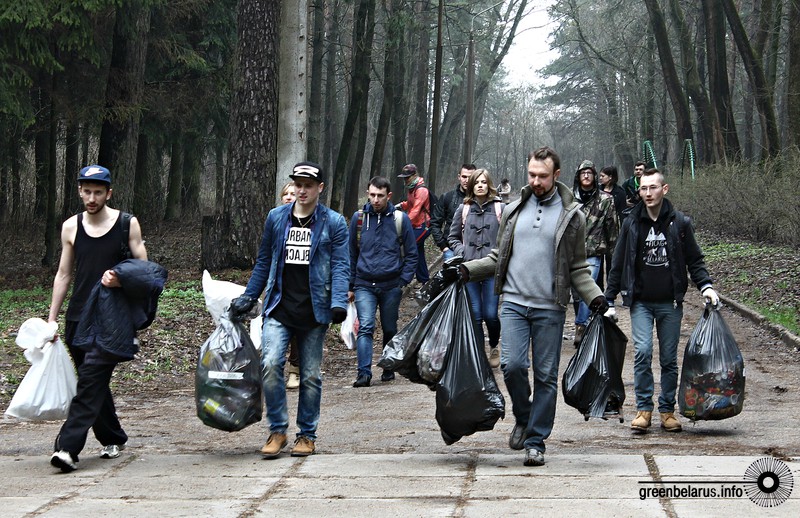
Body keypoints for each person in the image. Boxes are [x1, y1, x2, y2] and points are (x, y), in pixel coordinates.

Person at [449, 147, 607, 467]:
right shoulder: (512, 210)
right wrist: (467, 270)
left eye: (542, 176)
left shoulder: (572, 216)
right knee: (512, 366)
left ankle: (536, 440)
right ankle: (524, 416)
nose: (535, 181)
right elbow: (497, 258)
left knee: (546, 376)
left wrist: (596, 297)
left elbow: (578, 268)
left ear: (556, 175)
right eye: (532, 174)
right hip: (514, 303)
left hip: (550, 307)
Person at [229, 161, 350, 458]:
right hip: (279, 306)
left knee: (309, 376)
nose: (302, 190)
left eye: (308, 185)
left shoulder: (334, 222)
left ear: (320, 188)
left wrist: (337, 302)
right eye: (298, 184)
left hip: (315, 310)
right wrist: (249, 296)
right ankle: (277, 430)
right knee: (270, 364)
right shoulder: (276, 218)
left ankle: (306, 435)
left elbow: (340, 265)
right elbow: (264, 260)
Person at [48, 165, 148, 472]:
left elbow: (145, 272)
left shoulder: (127, 224)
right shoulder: (71, 227)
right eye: (87, 191)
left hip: (111, 320)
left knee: (91, 380)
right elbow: (64, 274)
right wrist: (52, 319)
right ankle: (113, 437)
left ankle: (67, 447)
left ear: (109, 193)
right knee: (93, 381)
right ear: (80, 191)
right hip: (78, 318)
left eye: (98, 192)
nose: (92, 198)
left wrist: (121, 279)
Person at [605, 168, 719, 434]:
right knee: (643, 352)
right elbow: (618, 262)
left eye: (653, 187)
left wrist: (706, 285)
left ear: (664, 189)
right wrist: (609, 299)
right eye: (643, 188)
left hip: (670, 303)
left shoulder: (680, 223)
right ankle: (644, 409)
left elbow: (694, 259)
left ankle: (667, 410)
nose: (648, 193)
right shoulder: (631, 223)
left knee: (668, 359)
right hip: (641, 302)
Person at [349, 176, 418, 387]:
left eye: (380, 195)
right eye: (372, 195)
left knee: (389, 327)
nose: (376, 199)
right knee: (366, 326)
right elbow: (351, 254)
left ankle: (388, 365)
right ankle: (364, 373)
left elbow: (412, 253)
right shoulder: (359, 219)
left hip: (391, 285)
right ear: (367, 194)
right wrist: (350, 285)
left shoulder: (400, 219)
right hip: (364, 283)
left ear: (389, 195)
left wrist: (403, 280)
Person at [447, 168, 504, 368]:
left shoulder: (500, 208)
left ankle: (494, 344)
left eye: (483, 182)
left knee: (490, 314)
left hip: (491, 269)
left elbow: (507, 237)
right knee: (476, 315)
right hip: (469, 270)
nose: (480, 185)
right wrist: (462, 251)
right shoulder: (463, 209)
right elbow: (452, 237)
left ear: (489, 185)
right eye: (477, 182)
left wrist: (498, 254)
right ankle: (480, 357)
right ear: (471, 186)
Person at [570, 160, 619, 346]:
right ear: (578, 176)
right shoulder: (569, 199)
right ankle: (585, 321)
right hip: (570, 252)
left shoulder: (605, 200)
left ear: (595, 175)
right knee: (576, 294)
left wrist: (615, 255)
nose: (586, 175)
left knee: (586, 288)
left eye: (589, 172)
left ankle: (580, 326)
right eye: (583, 172)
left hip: (593, 251)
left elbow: (612, 228)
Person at [279, 181, 300, 390]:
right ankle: (274, 369)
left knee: (296, 333)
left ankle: (295, 370)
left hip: (300, 289)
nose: (288, 197)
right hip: (278, 286)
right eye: (286, 194)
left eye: (292, 194)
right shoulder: (275, 221)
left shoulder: (308, 223)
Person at [429, 163, 475, 262]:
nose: (467, 180)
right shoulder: (447, 197)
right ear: (459, 177)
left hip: (475, 252)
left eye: (470, 177)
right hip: (451, 250)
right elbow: (435, 223)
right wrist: (443, 247)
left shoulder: (481, 199)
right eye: (464, 177)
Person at [397, 163, 432, 283]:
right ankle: (424, 281)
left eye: (407, 177)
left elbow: (416, 209)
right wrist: (401, 205)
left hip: (423, 225)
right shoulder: (412, 189)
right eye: (404, 178)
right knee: (418, 252)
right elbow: (411, 203)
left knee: (409, 248)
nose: (405, 180)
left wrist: (404, 222)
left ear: (414, 175)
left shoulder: (421, 190)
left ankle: (404, 277)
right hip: (415, 225)